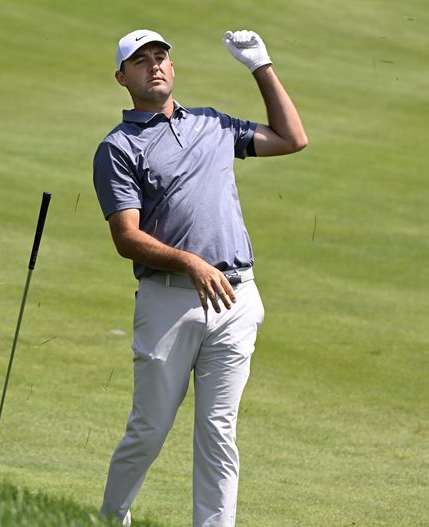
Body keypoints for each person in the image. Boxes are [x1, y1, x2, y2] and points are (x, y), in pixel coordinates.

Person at [92, 28, 307, 527]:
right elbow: (126, 237)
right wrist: (190, 261)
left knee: (219, 430)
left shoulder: (213, 123)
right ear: (122, 77)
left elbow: (292, 139)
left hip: (235, 297)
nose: (155, 66)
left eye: (161, 56)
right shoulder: (118, 148)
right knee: (149, 429)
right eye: (141, 61)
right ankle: (110, 518)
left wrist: (261, 66)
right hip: (170, 302)